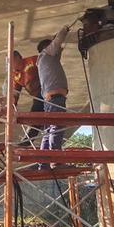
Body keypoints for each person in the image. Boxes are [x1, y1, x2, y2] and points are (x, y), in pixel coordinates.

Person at [36, 25, 70, 155]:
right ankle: (55, 157)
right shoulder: (46, 54)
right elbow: (57, 43)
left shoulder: (45, 60)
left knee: (49, 130)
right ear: (46, 47)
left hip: (50, 99)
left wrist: (59, 40)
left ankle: (44, 161)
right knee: (57, 126)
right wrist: (64, 30)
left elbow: (59, 48)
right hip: (55, 98)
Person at [11, 50, 44, 147]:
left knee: (35, 114)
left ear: (18, 58)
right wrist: (12, 106)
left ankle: (27, 141)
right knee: (37, 117)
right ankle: (28, 140)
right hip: (37, 96)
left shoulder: (32, 61)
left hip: (45, 90)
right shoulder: (15, 75)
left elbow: (46, 65)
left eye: (12, 61)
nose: (11, 64)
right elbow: (15, 93)